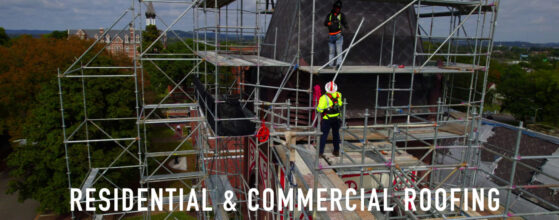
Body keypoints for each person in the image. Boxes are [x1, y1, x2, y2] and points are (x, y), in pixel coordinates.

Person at [316, 81, 343, 157]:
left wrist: (318, 108)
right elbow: (340, 104)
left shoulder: (324, 98)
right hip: (336, 118)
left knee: (324, 135)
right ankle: (336, 151)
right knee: (336, 134)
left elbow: (320, 109)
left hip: (327, 119)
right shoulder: (339, 95)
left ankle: (320, 153)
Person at [324, 0, 348, 70]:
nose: (338, 9)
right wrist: (329, 23)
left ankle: (338, 65)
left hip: (338, 36)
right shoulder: (330, 15)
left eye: (339, 8)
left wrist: (346, 27)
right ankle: (330, 64)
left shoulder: (341, 15)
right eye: (337, 8)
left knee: (339, 51)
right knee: (331, 51)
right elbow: (325, 23)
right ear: (334, 8)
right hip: (331, 36)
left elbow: (345, 23)